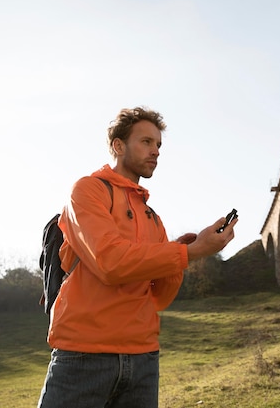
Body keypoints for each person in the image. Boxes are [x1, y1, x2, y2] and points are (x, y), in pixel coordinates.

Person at [37, 106, 237, 408]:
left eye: (158, 145)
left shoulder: (152, 217)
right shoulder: (88, 190)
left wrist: (186, 254)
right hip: (83, 355)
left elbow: (160, 297)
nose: (155, 151)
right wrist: (188, 252)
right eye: (146, 142)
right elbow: (110, 263)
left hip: (143, 358)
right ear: (119, 146)